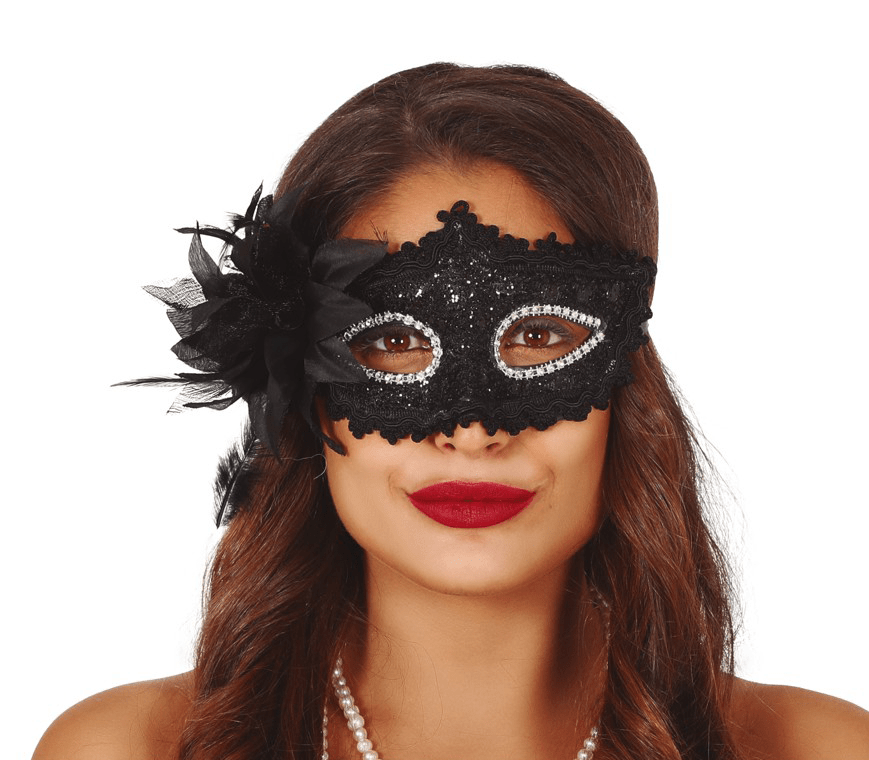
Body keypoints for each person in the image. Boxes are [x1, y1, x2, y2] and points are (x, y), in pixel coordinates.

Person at [33, 63, 869, 760]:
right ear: (302, 379)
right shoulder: (127, 749)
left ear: (626, 372)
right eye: (392, 341)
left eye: (537, 336)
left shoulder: (820, 748)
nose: (472, 431)